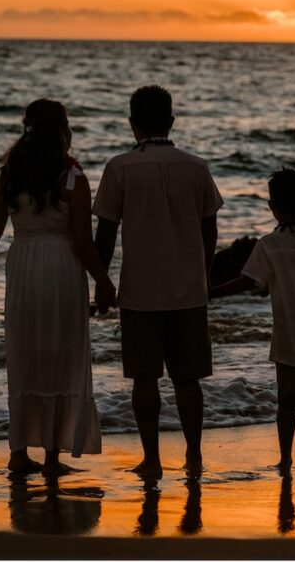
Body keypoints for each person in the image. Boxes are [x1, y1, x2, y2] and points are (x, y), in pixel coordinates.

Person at [0, 99, 116, 476]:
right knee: (61, 356)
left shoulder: (10, 174)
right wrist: (103, 280)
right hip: (62, 268)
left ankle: (18, 451)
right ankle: (52, 456)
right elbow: (83, 243)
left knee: (25, 355)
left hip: (23, 266)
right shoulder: (73, 178)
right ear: (62, 131)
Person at [93, 85, 223, 478]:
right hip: (188, 290)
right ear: (171, 121)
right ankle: (194, 456)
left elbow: (106, 233)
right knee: (188, 379)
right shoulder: (195, 166)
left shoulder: (120, 167)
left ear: (132, 124)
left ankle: (151, 458)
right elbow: (210, 229)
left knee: (144, 379)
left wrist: (102, 281)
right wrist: (204, 272)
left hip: (141, 291)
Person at [210, 167, 295, 475]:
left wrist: (214, 293)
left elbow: (248, 281)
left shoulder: (269, 245)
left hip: (290, 336)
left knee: (287, 403)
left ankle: (286, 458)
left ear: (271, 206)